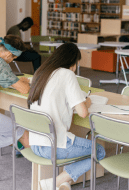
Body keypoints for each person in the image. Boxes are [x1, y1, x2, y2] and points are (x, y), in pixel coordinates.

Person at [27, 43, 106, 190]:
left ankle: (65, 183)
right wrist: (86, 102)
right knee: (99, 151)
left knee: (76, 142)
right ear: (73, 62)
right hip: (53, 146)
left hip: (35, 143)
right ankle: (54, 183)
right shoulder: (67, 74)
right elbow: (83, 113)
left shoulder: (41, 72)